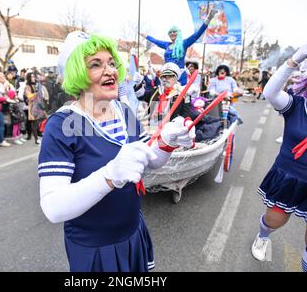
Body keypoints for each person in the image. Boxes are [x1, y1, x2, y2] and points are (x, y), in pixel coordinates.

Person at [39, 31, 196, 272]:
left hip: (134, 233)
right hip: (95, 250)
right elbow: (53, 208)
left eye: (112, 62)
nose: (110, 70)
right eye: (96, 64)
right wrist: (109, 175)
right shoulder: (61, 126)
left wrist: (166, 141)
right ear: (77, 74)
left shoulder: (123, 111)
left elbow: (151, 160)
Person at [250, 38, 307, 272]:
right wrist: (295, 59)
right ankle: (263, 235)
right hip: (289, 179)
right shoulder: (295, 105)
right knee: (273, 221)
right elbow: (270, 92)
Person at [142, 7, 217, 86]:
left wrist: (208, 19)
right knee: (166, 95)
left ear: (178, 33)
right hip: (168, 75)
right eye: (170, 32)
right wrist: (146, 36)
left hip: (180, 76)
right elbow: (156, 41)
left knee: (179, 96)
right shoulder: (166, 45)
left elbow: (197, 35)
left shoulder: (183, 44)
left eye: (174, 31)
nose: (172, 33)